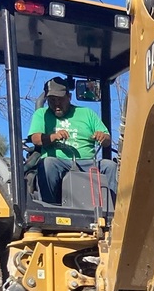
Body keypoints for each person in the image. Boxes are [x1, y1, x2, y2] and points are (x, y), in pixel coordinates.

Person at [27, 77, 117, 205]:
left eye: (60, 99)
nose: (56, 104)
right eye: (52, 100)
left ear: (69, 97)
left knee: (110, 166)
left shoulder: (87, 113)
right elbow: (36, 139)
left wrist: (102, 137)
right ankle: (49, 207)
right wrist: (53, 137)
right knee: (47, 163)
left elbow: (107, 140)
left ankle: (115, 209)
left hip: (88, 162)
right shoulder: (42, 114)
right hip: (59, 162)